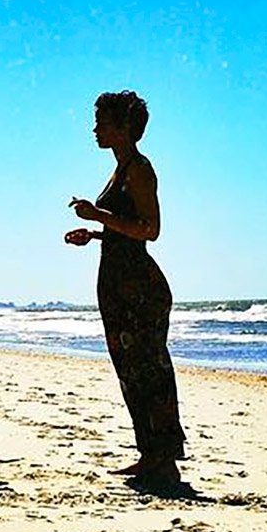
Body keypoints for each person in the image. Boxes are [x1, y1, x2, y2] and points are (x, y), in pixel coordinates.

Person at [65, 90, 189, 491]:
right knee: (130, 372)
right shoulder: (120, 170)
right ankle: (149, 455)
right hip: (118, 281)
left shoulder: (139, 168)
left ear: (124, 128)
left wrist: (98, 214)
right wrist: (96, 233)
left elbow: (150, 231)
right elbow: (126, 230)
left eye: (102, 121)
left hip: (139, 286)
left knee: (150, 371)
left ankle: (165, 461)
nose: (95, 128)